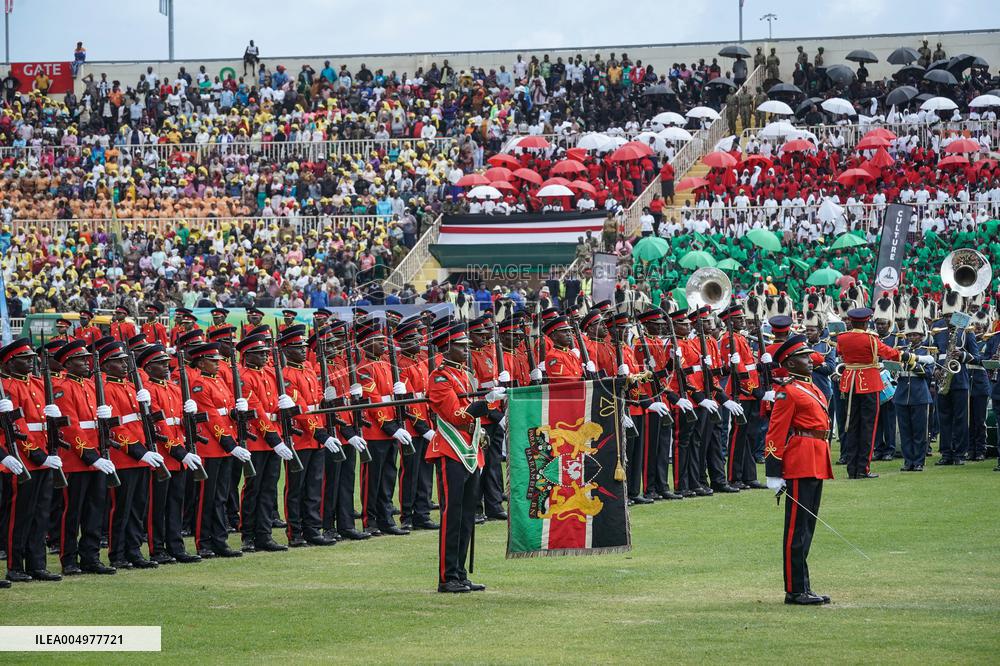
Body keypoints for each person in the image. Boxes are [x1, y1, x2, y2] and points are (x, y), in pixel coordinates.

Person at [426, 322, 505, 593]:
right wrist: (483, 405)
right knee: (452, 513)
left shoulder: (466, 375)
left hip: (472, 451)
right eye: (462, 346)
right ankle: (447, 576)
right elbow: (455, 415)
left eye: (468, 346)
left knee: (468, 513)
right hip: (450, 450)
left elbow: (477, 413)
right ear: (446, 348)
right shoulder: (439, 378)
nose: (468, 351)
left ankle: (459, 573)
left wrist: (494, 407)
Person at [763, 334, 833, 606]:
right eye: (804, 357)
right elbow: (776, 431)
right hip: (799, 461)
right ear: (791, 363)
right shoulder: (787, 391)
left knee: (807, 527)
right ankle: (794, 590)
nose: (810, 360)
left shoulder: (810, 387)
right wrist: (773, 471)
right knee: (796, 529)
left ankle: (803, 585)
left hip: (816, 458)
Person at [51, 340, 118, 576]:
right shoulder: (63, 387)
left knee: (95, 509)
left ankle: (90, 556)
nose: (86, 363)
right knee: (72, 512)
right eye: (80, 360)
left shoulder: (92, 385)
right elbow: (70, 428)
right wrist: (91, 457)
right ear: (68, 363)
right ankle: (68, 558)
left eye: (87, 359)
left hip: (98, 456)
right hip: (77, 459)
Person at [1, 339, 64, 583]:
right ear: (10, 362)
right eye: (25, 358)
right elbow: (18, 427)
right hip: (25, 458)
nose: (31, 361)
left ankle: (37, 564)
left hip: (46, 456)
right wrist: (37, 455)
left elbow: (45, 423)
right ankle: (16, 565)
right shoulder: (8, 388)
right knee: (21, 515)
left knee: (41, 513)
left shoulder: (38, 383)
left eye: (31, 358)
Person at [837, 308, 927, 479]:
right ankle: (863, 468)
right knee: (868, 427)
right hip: (868, 384)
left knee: (852, 426)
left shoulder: (842, 337)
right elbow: (888, 353)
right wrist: (907, 356)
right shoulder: (870, 338)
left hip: (849, 383)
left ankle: (852, 468)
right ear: (866, 322)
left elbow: (840, 353)